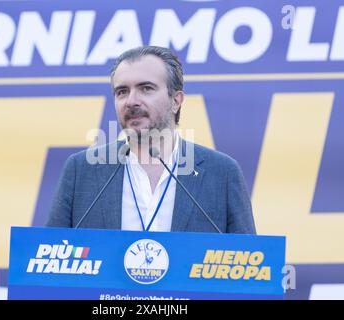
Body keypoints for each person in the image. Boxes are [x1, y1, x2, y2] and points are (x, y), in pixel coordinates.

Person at [46, 46, 256, 234]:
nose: (131, 101)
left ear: (176, 101)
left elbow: (250, 266)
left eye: (146, 88)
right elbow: (48, 259)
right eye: (122, 92)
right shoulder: (81, 170)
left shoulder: (222, 173)